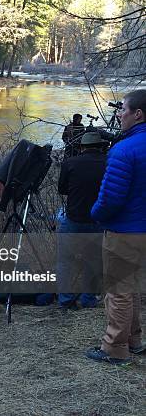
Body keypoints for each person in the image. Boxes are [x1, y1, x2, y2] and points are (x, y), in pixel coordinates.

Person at [87, 89, 146, 365]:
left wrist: (95, 214)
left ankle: (114, 348)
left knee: (119, 291)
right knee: (131, 287)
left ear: (138, 114)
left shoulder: (124, 150)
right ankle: (134, 340)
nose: (119, 114)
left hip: (125, 232)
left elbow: (110, 198)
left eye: (123, 109)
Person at [57, 131, 107, 310]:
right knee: (93, 261)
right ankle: (88, 299)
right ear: (101, 146)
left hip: (73, 218)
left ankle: (66, 300)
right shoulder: (107, 163)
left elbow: (62, 189)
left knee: (65, 261)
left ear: (82, 147)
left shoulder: (70, 163)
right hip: (97, 220)